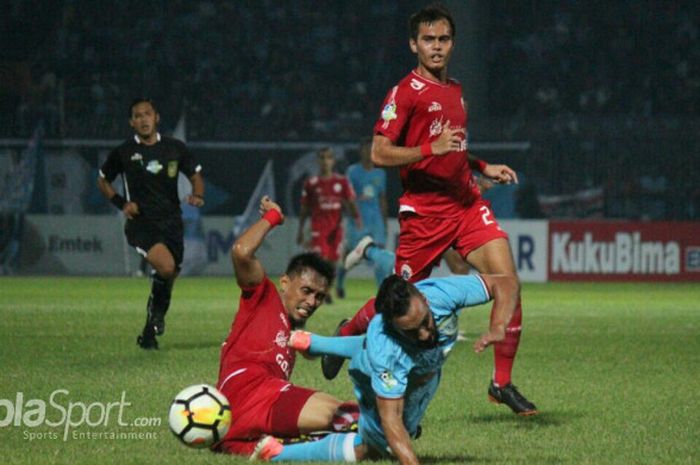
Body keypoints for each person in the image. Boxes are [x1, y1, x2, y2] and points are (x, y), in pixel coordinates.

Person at [327, 4, 537, 416]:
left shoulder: (456, 90)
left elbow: (453, 151)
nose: (436, 47)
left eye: (443, 39)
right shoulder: (404, 93)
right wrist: (429, 148)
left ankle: (502, 383)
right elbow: (380, 152)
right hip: (424, 215)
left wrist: (481, 167)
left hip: (465, 205)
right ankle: (347, 331)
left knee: (507, 282)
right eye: (428, 40)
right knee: (399, 300)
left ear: (452, 43)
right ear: (413, 45)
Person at [251, 271, 519, 463]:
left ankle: (315, 343)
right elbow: (391, 419)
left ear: (424, 300)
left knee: (369, 348)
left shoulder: (440, 293)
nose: (426, 335)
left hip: (419, 371)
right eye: (413, 332)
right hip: (372, 371)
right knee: (368, 449)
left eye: (426, 322)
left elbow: (506, 283)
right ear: (393, 328)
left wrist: (498, 326)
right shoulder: (386, 350)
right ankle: (276, 453)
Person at [214, 196, 359, 457]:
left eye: (319, 296)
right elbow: (241, 251)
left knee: (353, 431)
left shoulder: (290, 333)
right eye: (306, 291)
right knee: (346, 417)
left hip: (250, 412)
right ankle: (391, 425)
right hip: (250, 393)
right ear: (284, 283)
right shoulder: (263, 297)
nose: (312, 302)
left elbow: (308, 349)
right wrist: (273, 218)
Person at [97, 98, 204, 349]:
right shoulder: (123, 152)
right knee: (166, 269)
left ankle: (148, 333)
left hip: (172, 223)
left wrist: (198, 195)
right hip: (141, 224)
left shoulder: (175, 148)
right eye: (137, 115)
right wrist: (122, 203)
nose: (143, 119)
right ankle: (156, 317)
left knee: (170, 275)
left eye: (147, 114)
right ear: (131, 122)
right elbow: (102, 180)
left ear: (157, 117)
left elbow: (196, 175)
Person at [296, 147, 361, 302]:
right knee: (320, 259)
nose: (325, 161)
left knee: (332, 262)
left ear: (333, 161)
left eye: (328, 158)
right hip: (318, 227)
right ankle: (324, 291)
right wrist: (300, 230)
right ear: (318, 161)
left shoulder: (342, 182)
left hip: (336, 228)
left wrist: (357, 219)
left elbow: (350, 202)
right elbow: (305, 209)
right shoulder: (311, 183)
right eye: (322, 158)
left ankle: (325, 289)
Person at [335, 137, 391, 297]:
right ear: (361, 151)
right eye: (365, 148)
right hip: (358, 221)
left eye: (371, 148)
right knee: (349, 255)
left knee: (380, 256)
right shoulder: (353, 171)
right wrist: (350, 215)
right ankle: (339, 283)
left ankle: (382, 291)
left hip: (376, 221)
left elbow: (382, 198)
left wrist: (385, 222)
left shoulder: (381, 173)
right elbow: (346, 197)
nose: (368, 152)